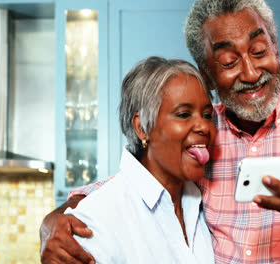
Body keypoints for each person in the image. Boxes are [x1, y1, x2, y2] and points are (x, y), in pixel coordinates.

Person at [40, 0, 280, 263]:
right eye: (228, 61)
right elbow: (138, 183)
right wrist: (56, 219)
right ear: (207, 75)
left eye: (258, 51)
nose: (251, 73)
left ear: (275, 46)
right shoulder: (204, 132)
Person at [56, 56, 217, 263]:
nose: (204, 126)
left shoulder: (202, 203)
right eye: (184, 114)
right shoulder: (95, 219)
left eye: (206, 115)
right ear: (142, 127)